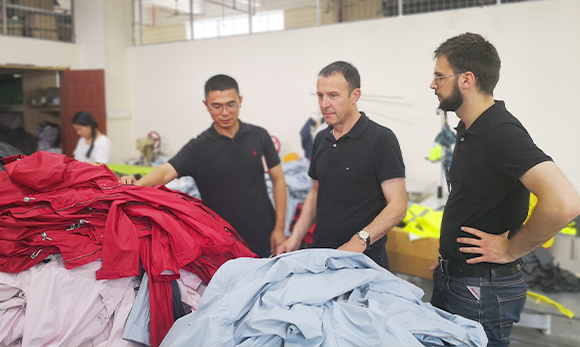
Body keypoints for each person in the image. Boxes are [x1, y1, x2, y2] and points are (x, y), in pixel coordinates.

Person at [428, 33, 580, 347]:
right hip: (457, 280)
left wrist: (512, 248)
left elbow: (565, 202)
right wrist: (448, 257)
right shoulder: (469, 129)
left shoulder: (500, 131)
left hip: (482, 292)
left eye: (439, 76)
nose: (433, 84)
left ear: (466, 79)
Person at [120, 75, 287, 258]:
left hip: (265, 235)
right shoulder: (199, 147)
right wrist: (137, 185)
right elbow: (166, 171)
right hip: (223, 242)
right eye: (216, 106)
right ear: (206, 105)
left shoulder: (259, 136)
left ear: (240, 101)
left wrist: (279, 228)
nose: (225, 112)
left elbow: (278, 180)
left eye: (231, 104)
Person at [276, 61, 407, 269]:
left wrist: (358, 241)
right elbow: (314, 195)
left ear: (354, 96)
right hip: (322, 257)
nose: (324, 104)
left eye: (333, 95)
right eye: (320, 95)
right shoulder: (321, 139)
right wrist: (295, 237)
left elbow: (398, 206)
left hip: (363, 262)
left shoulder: (381, 139)